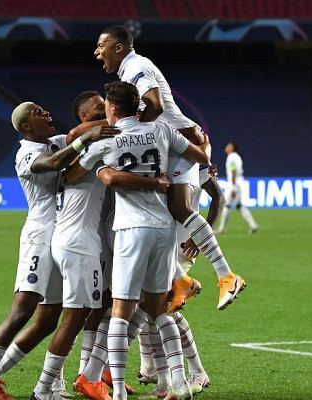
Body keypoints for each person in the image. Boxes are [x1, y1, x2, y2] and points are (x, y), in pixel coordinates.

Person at [0, 102, 117, 400]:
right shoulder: (26, 153)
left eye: (45, 110)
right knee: (21, 312)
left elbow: (76, 132)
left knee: (48, 320)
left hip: (59, 237)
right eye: (37, 112)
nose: (46, 113)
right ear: (26, 127)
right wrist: (85, 139)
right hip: (38, 236)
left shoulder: (55, 141)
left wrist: (115, 119)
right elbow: (53, 162)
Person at [94, 25, 245, 312]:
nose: (96, 52)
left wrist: (132, 131)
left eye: (101, 46)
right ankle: (180, 280)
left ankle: (225, 276)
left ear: (118, 47)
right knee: (160, 216)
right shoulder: (128, 71)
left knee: (177, 208)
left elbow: (155, 105)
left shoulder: (136, 66)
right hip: (174, 142)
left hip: (180, 141)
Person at [31, 90, 168, 400]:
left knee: (100, 305)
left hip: (95, 238)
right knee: (79, 315)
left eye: (105, 109)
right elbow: (75, 154)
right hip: (82, 240)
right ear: (84, 118)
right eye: (97, 112)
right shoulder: (90, 143)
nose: (104, 116)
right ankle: (48, 387)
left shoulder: (102, 142)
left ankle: (90, 374)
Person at [76, 81, 209, 400]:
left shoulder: (108, 139)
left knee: (120, 312)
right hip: (164, 228)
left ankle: (118, 392)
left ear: (112, 108)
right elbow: (200, 155)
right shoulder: (161, 130)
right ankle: (179, 383)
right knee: (160, 309)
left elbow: (81, 171)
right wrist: (204, 143)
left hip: (131, 229)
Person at [217, 141, 258, 234]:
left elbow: (233, 170)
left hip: (234, 183)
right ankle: (253, 225)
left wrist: (233, 187)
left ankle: (222, 229)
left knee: (226, 205)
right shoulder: (237, 157)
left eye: (228, 146)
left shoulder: (231, 157)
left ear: (232, 148)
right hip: (239, 182)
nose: (226, 147)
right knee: (239, 206)